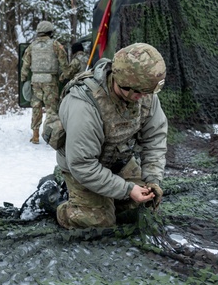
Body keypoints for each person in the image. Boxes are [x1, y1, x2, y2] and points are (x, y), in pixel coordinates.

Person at [50, 42, 168, 229]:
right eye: (139, 93)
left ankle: (107, 199)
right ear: (124, 84)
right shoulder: (84, 106)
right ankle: (60, 205)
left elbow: (155, 139)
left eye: (147, 92)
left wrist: (153, 179)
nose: (143, 97)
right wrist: (127, 189)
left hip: (118, 160)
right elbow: (83, 165)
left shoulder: (144, 92)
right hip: (83, 169)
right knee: (99, 221)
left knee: (143, 206)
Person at [20, 20, 68, 144]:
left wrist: (23, 78)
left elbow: (25, 64)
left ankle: (35, 135)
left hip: (35, 81)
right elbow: (63, 62)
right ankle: (52, 136)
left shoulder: (32, 46)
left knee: (36, 107)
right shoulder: (55, 45)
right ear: (50, 32)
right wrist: (65, 75)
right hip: (50, 81)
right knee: (51, 109)